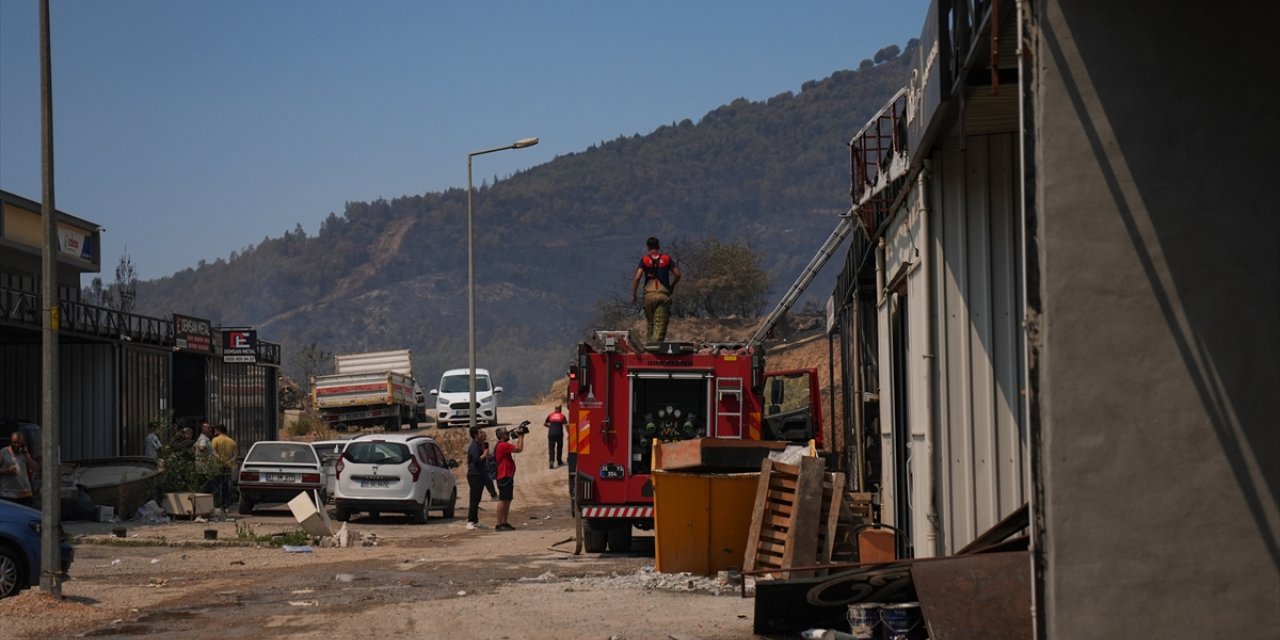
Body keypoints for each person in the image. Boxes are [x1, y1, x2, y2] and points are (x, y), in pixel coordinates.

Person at [631, 236, 682, 344]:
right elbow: (678, 274)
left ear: (648, 247)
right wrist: (671, 287)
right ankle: (654, 349)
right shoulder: (667, 259)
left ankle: (649, 346)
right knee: (660, 324)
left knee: (651, 324)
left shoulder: (644, 260)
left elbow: (637, 277)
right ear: (658, 246)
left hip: (648, 296)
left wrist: (634, 294)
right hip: (662, 296)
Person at [492, 425, 525, 531]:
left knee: (507, 500)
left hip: (507, 476)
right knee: (503, 500)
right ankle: (498, 523)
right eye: (506, 433)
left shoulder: (502, 445)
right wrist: (521, 437)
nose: (508, 435)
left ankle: (504, 522)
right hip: (504, 476)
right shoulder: (503, 445)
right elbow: (519, 449)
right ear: (502, 436)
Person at [0, 431, 38, 507]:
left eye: (19, 443)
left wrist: (27, 455)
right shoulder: (3, 452)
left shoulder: (24, 453)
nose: (17, 445)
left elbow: (34, 468)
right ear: (10, 442)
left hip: (24, 493)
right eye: (14, 442)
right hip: (7, 493)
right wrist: (6, 471)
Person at [465, 426, 491, 530]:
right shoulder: (474, 446)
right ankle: (470, 521)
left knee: (477, 498)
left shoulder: (479, 445)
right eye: (480, 432)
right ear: (475, 435)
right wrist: (484, 454)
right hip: (474, 475)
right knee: (474, 499)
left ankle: (475, 521)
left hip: (479, 474)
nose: (482, 434)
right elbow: (476, 460)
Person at [210, 424, 237, 508]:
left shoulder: (215, 440)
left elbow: (213, 452)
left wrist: (221, 460)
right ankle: (226, 503)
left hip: (217, 466)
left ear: (219, 430)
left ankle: (217, 504)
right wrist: (228, 462)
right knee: (226, 485)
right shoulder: (232, 441)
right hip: (228, 466)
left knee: (217, 486)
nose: (214, 431)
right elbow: (235, 455)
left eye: (215, 430)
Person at [544, 404, 567, 469]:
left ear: (555, 408)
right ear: (560, 409)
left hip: (551, 434)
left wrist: (550, 427)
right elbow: (566, 425)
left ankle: (551, 461)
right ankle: (559, 461)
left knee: (551, 448)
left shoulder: (550, 415)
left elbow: (545, 424)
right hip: (559, 434)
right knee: (559, 447)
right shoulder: (562, 416)